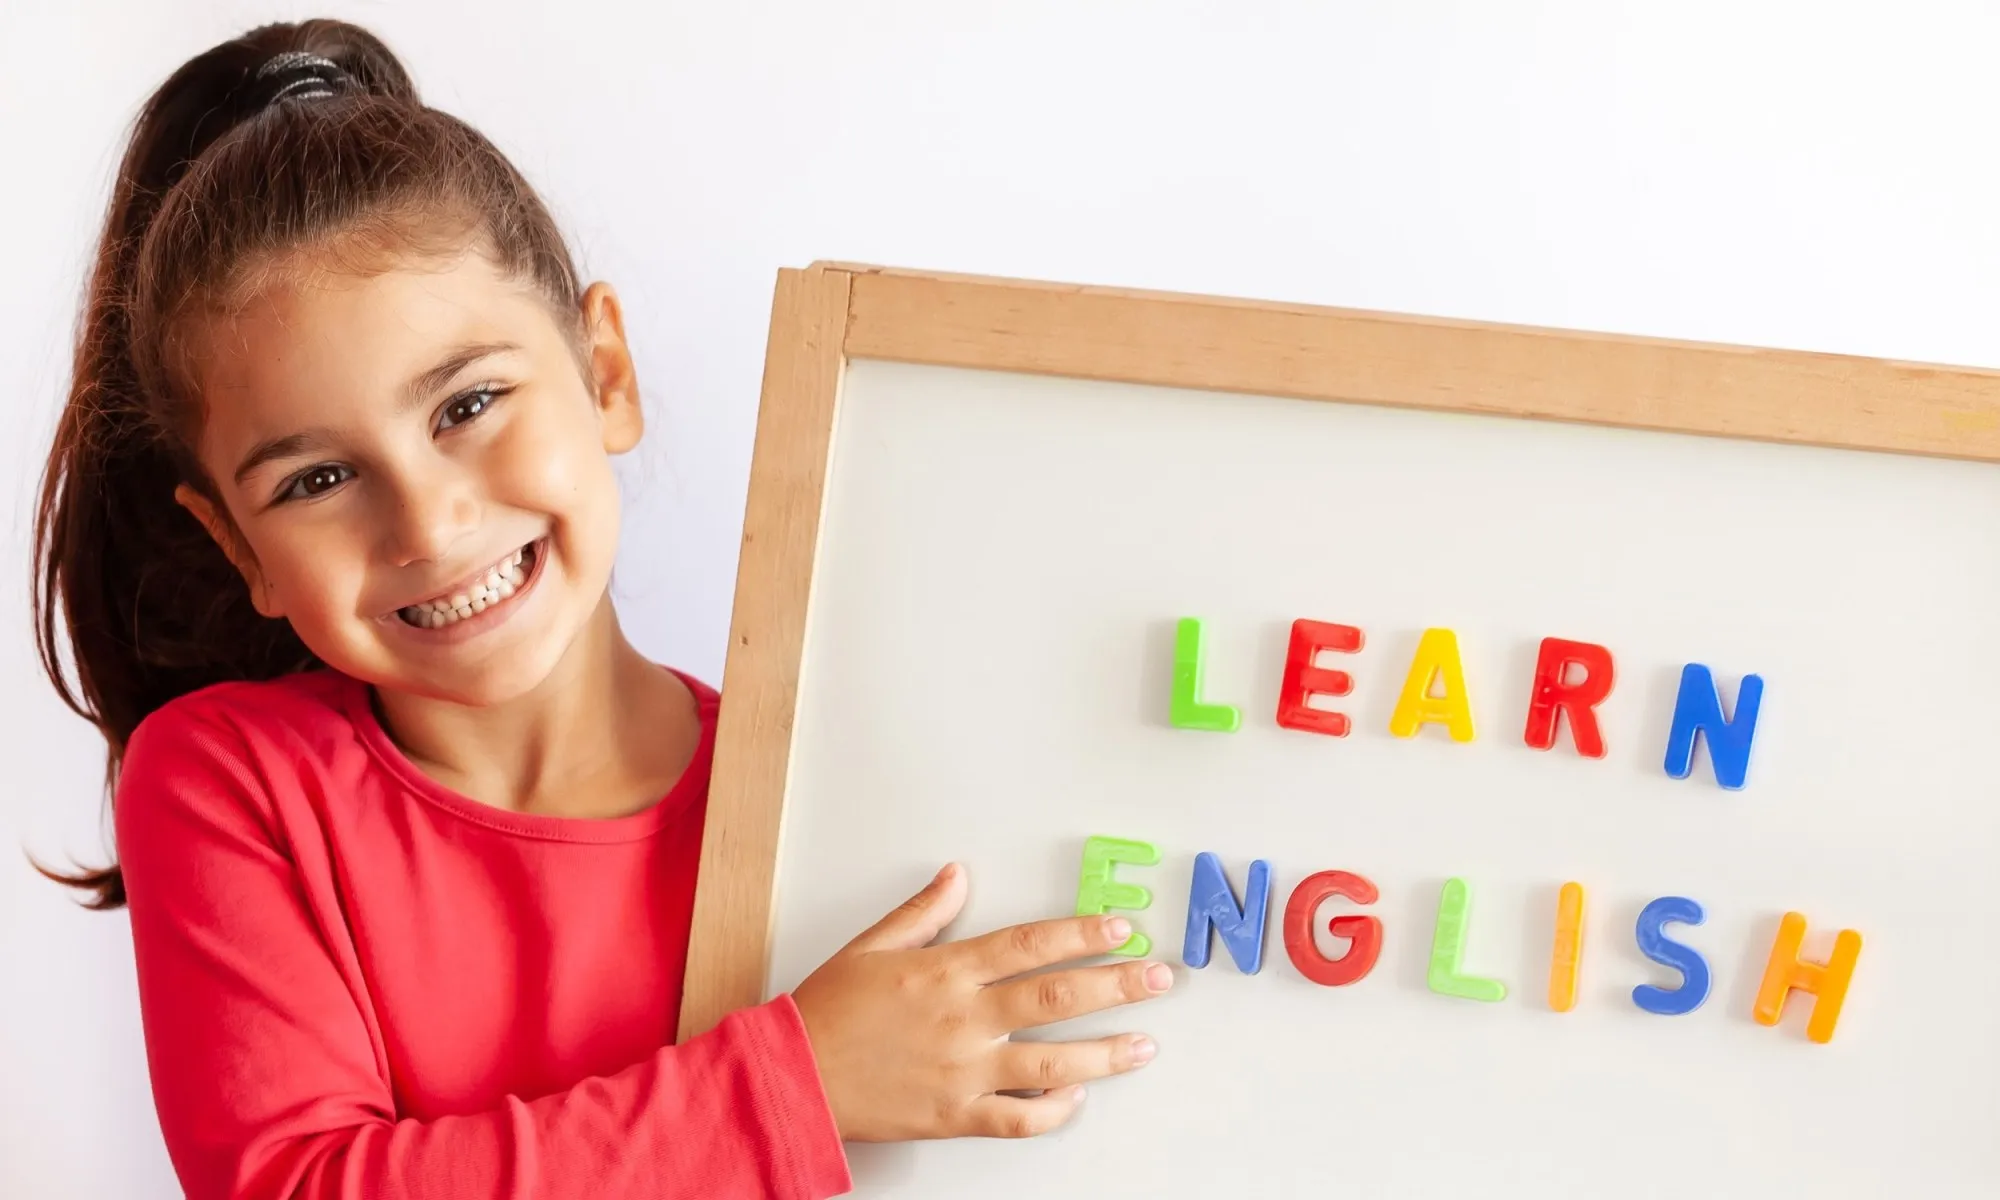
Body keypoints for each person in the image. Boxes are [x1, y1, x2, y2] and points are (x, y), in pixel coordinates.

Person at [31, 18, 1170, 1199]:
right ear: (237, 546)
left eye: (467, 404)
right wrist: (796, 1090)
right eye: (316, 480)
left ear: (605, 373)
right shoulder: (231, 785)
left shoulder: (812, 802)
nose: (427, 526)